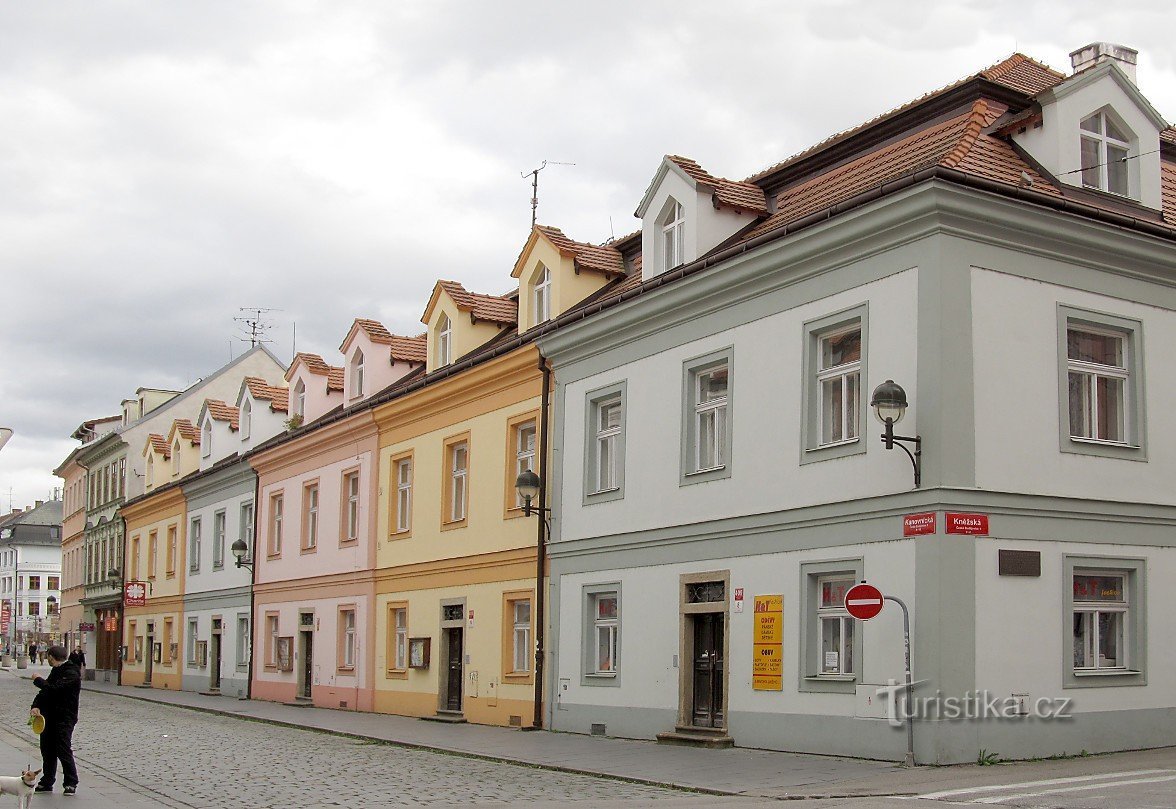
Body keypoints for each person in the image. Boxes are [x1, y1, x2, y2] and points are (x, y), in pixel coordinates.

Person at [29, 645, 80, 795]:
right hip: (48, 717)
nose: (47, 659)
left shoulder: (71, 672)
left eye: (47, 657)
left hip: (64, 718)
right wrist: (36, 706)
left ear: (51, 657)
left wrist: (38, 680)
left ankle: (71, 782)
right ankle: (47, 781)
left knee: (63, 749)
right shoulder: (56, 671)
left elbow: (55, 689)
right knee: (47, 750)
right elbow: (45, 692)